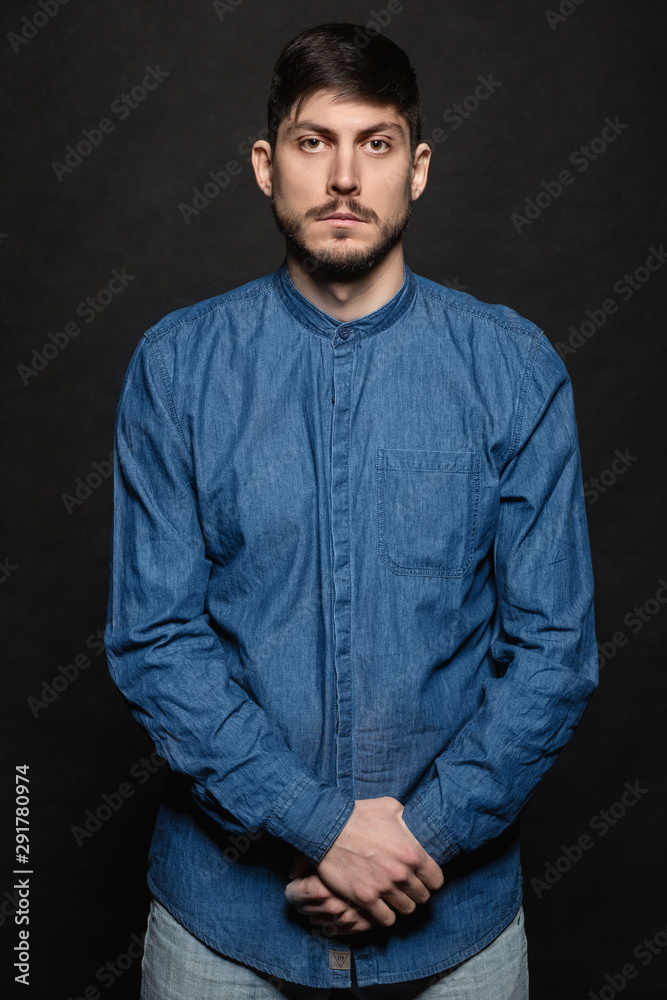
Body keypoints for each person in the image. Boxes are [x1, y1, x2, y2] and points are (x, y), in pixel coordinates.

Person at [104, 21, 598, 1000]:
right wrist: (323, 826)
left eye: (373, 144)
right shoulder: (175, 368)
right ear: (263, 165)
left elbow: (552, 650)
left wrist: (421, 838)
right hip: (223, 937)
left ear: (416, 170)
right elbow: (155, 641)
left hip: (454, 937)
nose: (341, 177)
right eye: (311, 141)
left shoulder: (514, 368)